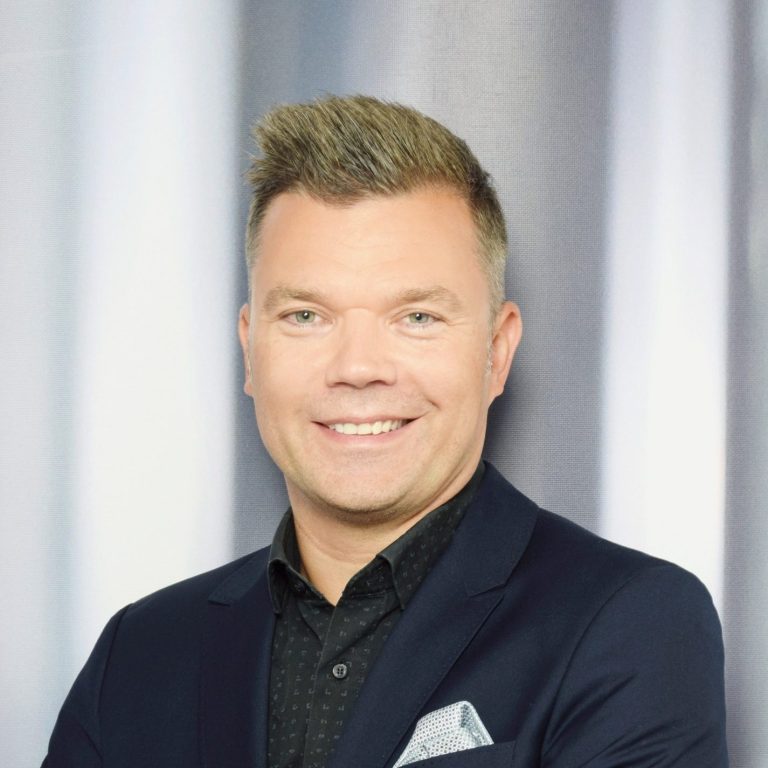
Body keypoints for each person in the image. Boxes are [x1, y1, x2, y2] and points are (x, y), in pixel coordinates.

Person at [43, 95, 727, 768]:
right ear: (251, 350)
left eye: (417, 318)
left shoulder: (628, 624)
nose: (358, 368)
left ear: (496, 352)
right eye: (306, 316)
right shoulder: (140, 653)